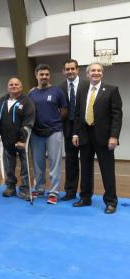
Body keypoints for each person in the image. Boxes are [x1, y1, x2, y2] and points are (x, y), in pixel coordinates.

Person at [72, 63, 122, 214]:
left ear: (102, 73)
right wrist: (75, 133)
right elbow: (77, 114)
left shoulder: (112, 90)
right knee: (86, 169)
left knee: (107, 170)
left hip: (104, 137)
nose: (96, 73)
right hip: (85, 135)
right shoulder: (82, 89)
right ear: (87, 74)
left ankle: (111, 201)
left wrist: (114, 136)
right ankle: (85, 198)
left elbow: (117, 115)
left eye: (99, 70)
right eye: (93, 70)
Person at [28, 64, 67, 205]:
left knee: (54, 163)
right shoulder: (31, 93)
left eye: (46, 74)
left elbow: (63, 110)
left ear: (49, 76)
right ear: (36, 75)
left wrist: (54, 122)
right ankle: (38, 188)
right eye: (41, 74)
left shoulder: (57, 91)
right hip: (36, 133)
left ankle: (53, 192)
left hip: (54, 132)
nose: (44, 76)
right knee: (38, 163)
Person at [0, 77, 35, 200]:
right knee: (9, 165)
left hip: (21, 141)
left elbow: (29, 122)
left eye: (16, 84)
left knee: (25, 165)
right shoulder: (2, 101)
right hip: (6, 140)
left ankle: (24, 189)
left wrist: (23, 140)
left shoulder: (27, 101)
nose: (13, 86)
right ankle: (10, 187)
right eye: (11, 84)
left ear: (21, 87)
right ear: (7, 87)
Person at [59, 59, 87, 201]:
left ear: (77, 70)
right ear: (64, 71)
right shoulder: (60, 88)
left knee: (87, 163)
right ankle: (70, 192)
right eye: (67, 69)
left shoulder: (87, 85)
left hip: (86, 129)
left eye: (72, 69)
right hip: (68, 130)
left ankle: (86, 194)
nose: (70, 71)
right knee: (71, 162)